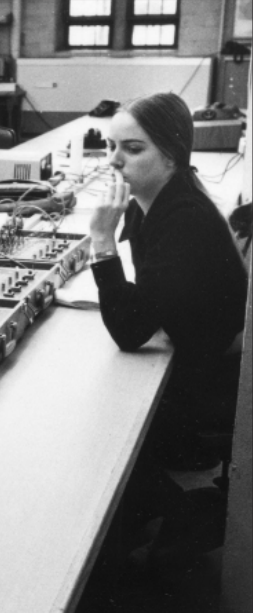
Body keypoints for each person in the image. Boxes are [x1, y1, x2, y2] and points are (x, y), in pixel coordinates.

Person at [89, 92, 248, 562]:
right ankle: (143, 515)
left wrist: (100, 241)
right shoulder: (154, 199)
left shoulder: (185, 220)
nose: (115, 162)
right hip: (197, 355)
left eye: (133, 149)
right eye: (111, 146)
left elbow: (130, 329)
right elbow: (144, 297)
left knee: (103, 420)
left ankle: (163, 514)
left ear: (173, 154)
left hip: (214, 382)